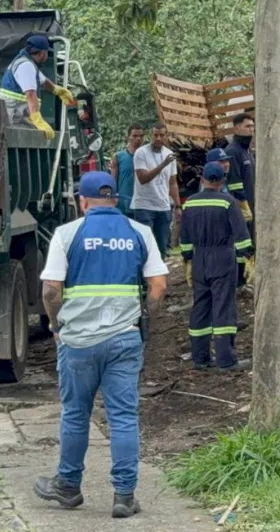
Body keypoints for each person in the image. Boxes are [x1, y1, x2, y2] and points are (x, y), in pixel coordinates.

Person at [34, 171, 168, 519]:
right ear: (115, 199)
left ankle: (68, 486)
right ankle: (124, 496)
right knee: (123, 416)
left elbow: (50, 290)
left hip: (78, 342)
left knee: (76, 413)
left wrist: (54, 323)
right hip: (124, 338)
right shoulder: (140, 232)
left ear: (83, 201)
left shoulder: (67, 233)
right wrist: (145, 318)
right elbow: (158, 286)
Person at [179, 163, 253, 372]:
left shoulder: (189, 204)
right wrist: (248, 257)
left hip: (199, 259)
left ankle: (200, 357)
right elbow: (241, 234)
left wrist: (187, 259)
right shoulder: (228, 202)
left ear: (202, 179)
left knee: (201, 306)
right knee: (223, 306)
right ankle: (226, 360)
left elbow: (183, 237)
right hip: (222, 257)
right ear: (222, 181)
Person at [0, 33, 77, 139]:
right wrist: (37, 118)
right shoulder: (26, 66)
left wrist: (58, 90)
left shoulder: (27, 63)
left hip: (17, 112)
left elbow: (43, 81)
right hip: (15, 115)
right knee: (28, 140)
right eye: (46, 52)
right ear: (41, 53)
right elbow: (30, 94)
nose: (46, 56)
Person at [130, 123, 180, 257]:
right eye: (155, 135)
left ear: (166, 136)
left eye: (161, 135)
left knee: (162, 247)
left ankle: (160, 275)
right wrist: (163, 164)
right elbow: (143, 178)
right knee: (145, 245)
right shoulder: (141, 153)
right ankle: (143, 276)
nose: (158, 138)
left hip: (163, 206)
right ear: (150, 136)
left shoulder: (169, 154)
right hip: (144, 206)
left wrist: (178, 205)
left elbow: (173, 182)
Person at [224, 113, 256, 226]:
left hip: (254, 201)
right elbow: (234, 182)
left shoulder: (247, 150)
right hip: (245, 203)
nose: (251, 129)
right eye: (247, 126)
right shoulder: (232, 151)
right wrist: (243, 204)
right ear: (236, 129)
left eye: (252, 126)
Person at [109, 124, 145, 217]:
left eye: (141, 136)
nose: (138, 139)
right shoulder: (119, 157)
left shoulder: (147, 156)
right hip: (124, 203)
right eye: (135, 136)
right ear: (128, 137)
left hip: (144, 204)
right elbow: (113, 181)